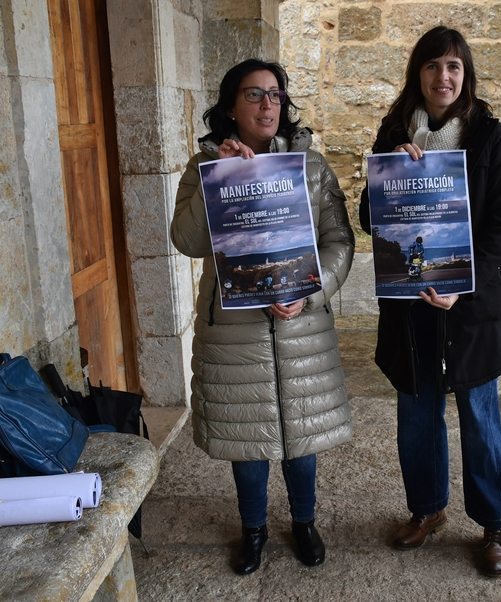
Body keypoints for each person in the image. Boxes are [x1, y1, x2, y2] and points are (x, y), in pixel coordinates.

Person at [170, 59, 355, 575]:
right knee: (245, 438)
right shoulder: (204, 166)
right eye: (253, 94)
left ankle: (304, 522)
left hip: (301, 324)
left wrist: (310, 294)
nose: (267, 104)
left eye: (275, 94)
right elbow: (185, 241)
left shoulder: (310, 166)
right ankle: (252, 529)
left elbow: (339, 242)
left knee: (302, 435)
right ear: (231, 106)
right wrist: (218, 180)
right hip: (234, 330)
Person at [359, 26, 501, 577]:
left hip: (468, 305)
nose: (442, 77)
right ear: (418, 74)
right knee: (417, 415)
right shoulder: (393, 132)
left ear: (464, 74)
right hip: (410, 304)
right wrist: (390, 174)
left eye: (453, 66)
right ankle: (428, 509)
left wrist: (462, 282)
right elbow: (369, 219)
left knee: (479, 417)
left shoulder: (489, 135)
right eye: (432, 66)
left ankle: (494, 522)